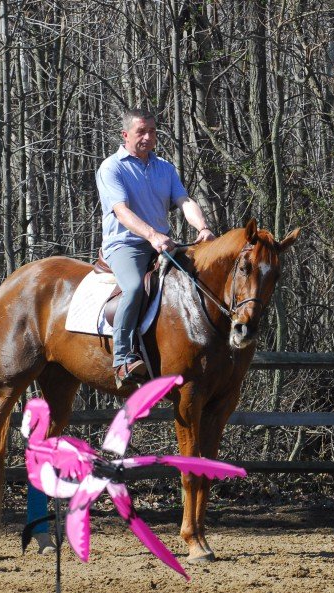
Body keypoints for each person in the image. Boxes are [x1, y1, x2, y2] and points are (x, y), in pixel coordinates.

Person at [95, 108, 215, 387]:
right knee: (135, 288)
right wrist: (152, 234)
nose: (148, 137)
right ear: (125, 135)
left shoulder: (164, 168)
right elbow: (120, 211)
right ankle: (123, 359)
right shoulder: (112, 167)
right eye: (141, 132)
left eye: (152, 131)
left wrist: (203, 228)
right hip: (126, 245)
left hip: (162, 244)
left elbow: (184, 201)